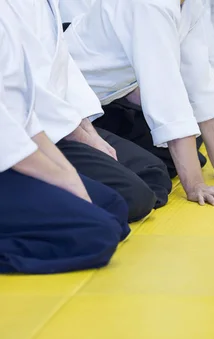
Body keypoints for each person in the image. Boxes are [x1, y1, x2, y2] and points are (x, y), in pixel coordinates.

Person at [63, 0, 214, 206]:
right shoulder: (150, 5)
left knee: (179, 152)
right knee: (154, 180)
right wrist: (195, 185)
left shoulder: (190, 5)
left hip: (104, 103)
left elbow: (199, 79)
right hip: (69, 110)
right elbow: (166, 93)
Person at [5, 0, 173, 222]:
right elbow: (29, 90)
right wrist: (77, 135)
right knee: (131, 198)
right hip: (32, 132)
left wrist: (88, 131)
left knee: (153, 172)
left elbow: (64, 70)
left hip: (62, 121)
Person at [0, 4, 130, 274]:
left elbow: (24, 115)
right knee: (97, 234)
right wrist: (63, 179)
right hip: (10, 156)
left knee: (114, 208)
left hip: (19, 151)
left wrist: (68, 173)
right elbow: (8, 137)